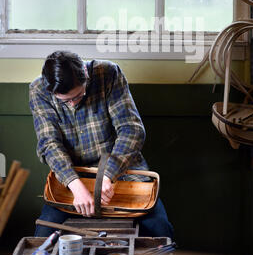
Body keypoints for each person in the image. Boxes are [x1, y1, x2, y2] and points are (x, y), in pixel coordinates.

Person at [29, 51, 174, 239]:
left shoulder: (108, 74)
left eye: (78, 96)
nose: (72, 105)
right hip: (73, 177)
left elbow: (132, 130)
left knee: (160, 230)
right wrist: (76, 186)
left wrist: (107, 176)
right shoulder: (38, 90)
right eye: (65, 101)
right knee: (42, 235)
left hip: (123, 171)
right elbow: (49, 144)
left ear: (85, 74)